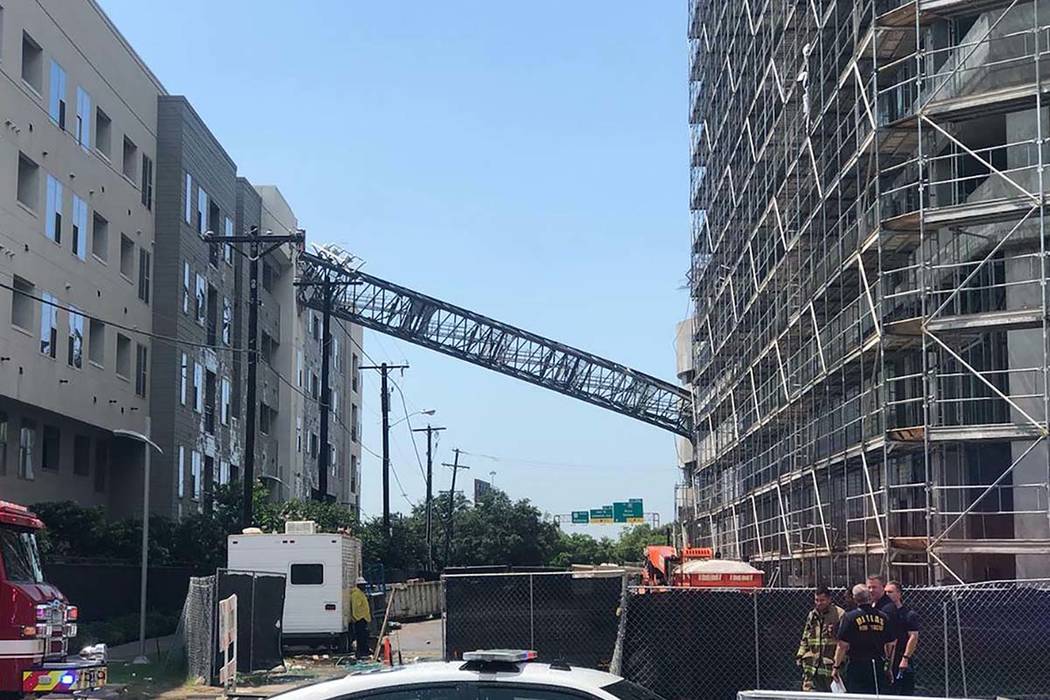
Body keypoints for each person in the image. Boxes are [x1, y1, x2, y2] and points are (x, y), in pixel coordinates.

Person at [832, 584, 893, 694]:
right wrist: (888, 666)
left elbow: (842, 645)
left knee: (856, 695)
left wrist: (836, 666)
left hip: (856, 664)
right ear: (869, 597)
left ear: (854, 598)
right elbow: (890, 644)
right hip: (877, 664)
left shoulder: (849, 617)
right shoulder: (883, 617)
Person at [796, 586, 845, 692]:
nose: (818, 603)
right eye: (816, 600)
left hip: (829, 667)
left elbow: (843, 642)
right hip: (811, 666)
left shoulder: (839, 614)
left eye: (822, 600)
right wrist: (801, 654)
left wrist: (839, 663)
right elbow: (805, 636)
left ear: (829, 599)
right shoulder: (812, 615)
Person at [886, 580, 920, 696]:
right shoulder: (884, 613)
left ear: (899, 593)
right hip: (887, 656)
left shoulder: (908, 614)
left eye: (890, 592)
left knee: (905, 690)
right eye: (885, 592)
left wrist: (905, 658)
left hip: (901, 656)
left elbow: (913, 637)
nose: (887, 594)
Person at [350, 576, 372, 658]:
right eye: (362, 585)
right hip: (360, 619)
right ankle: (362, 651)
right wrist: (358, 617)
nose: (364, 586)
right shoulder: (356, 594)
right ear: (359, 585)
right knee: (361, 636)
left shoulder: (361, 593)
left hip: (363, 618)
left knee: (364, 635)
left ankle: (365, 650)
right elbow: (355, 607)